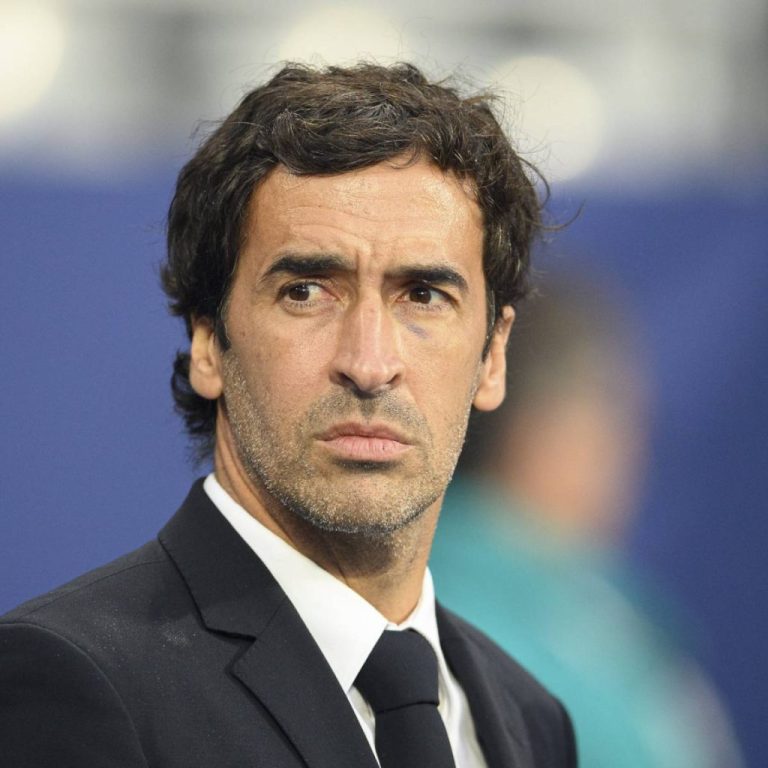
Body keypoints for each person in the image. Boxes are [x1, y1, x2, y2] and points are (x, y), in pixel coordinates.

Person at [0, 63, 577, 767]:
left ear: (493, 356)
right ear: (208, 341)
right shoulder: (70, 681)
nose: (369, 363)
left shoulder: (531, 721)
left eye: (423, 295)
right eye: (306, 291)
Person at [430, 276, 744, 767]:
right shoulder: (452, 622)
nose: (633, 457)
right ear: (547, 425)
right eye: (621, 419)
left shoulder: (597, 606)